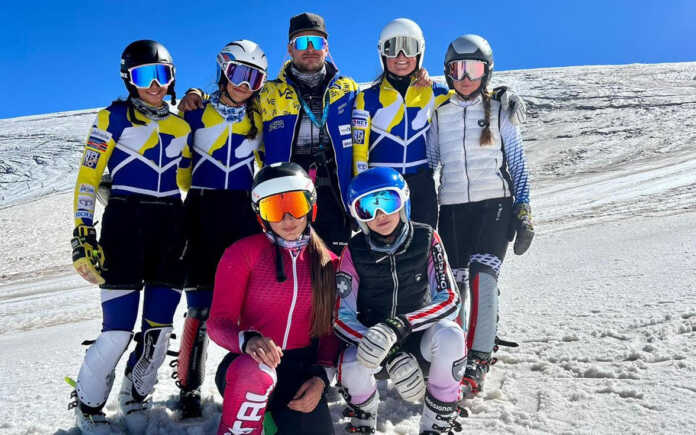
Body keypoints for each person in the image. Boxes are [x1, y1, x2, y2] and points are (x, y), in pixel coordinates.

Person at [68, 40, 191, 432]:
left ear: (172, 78)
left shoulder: (182, 125)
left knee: (159, 330)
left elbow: (186, 178)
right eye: (143, 76)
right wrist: (83, 231)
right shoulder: (112, 118)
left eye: (162, 75)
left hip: (171, 226)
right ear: (128, 80)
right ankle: (87, 406)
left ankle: (136, 396)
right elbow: (88, 177)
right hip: (124, 223)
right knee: (117, 332)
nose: (154, 85)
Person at [180, 12, 360, 255]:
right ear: (289, 49)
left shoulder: (348, 89)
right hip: (285, 189)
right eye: (301, 42)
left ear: (326, 48)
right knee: (287, 266)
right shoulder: (268, 93)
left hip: (334, 194)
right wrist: (196, 94)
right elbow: (232, 98)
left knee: (333, 266)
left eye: (317, 42)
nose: (310, 49)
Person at [428, 34, 535, 399]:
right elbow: (430, 163)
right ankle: (455, 352)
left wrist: (524, 209)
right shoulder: (439, 111)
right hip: (452, 208)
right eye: (457, 69)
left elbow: (517, 163)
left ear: (487, 71)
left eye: (473, 69)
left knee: (482, 278)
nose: (465, 78)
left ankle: (479, 357)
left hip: (495, 206)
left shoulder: (501, 108)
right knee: (454, 286)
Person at [172, 39, 267, 419]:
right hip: (202, 210)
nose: (245, 84)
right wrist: (193, 95)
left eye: (254, 79)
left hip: (242, 213)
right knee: (199, 306)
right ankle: (188, 387)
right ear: (223, 70)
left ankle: (245, 379)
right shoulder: (196, 114)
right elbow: (180, 173)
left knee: (247, 307)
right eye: (239, 74)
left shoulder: (258, 117)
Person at [208, 162, 339, 435]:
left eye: (295, 205)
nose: (287, 219)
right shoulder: (243, 253)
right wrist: (249, 340)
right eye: (274, 209)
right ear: (261, 215)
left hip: (300, 375)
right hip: (248, 366)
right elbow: (218, 323)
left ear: (311, 205)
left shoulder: (329, 263)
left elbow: (331, 333)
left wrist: (320, 379)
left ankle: (269, 422)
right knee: (256, 373)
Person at [334, 167, 466, 434]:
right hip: (376, 347)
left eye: (388, 202)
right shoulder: (354, 251)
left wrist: (400, 325)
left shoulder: (426, 238)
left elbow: (450, 299)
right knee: (350, 362)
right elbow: (341, 316)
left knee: (451, 336)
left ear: (403, 201)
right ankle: (363, 417)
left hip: (421, 339)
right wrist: (386, 348)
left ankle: (438, 421)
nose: (380, 215)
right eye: (367, 208)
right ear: (356, 215)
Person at [351, 18, 450, 229]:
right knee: (385, 246)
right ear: (382, 53)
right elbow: (359, 154)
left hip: (421, 187)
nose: (401, 56)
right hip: (382, 188)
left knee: (424, 244)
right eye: (392, 48)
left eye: (409, 47)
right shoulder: (366, 99)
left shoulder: (436, 92)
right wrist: (362, 194)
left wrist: (499, 95)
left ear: (420, 52)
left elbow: (470, 97)